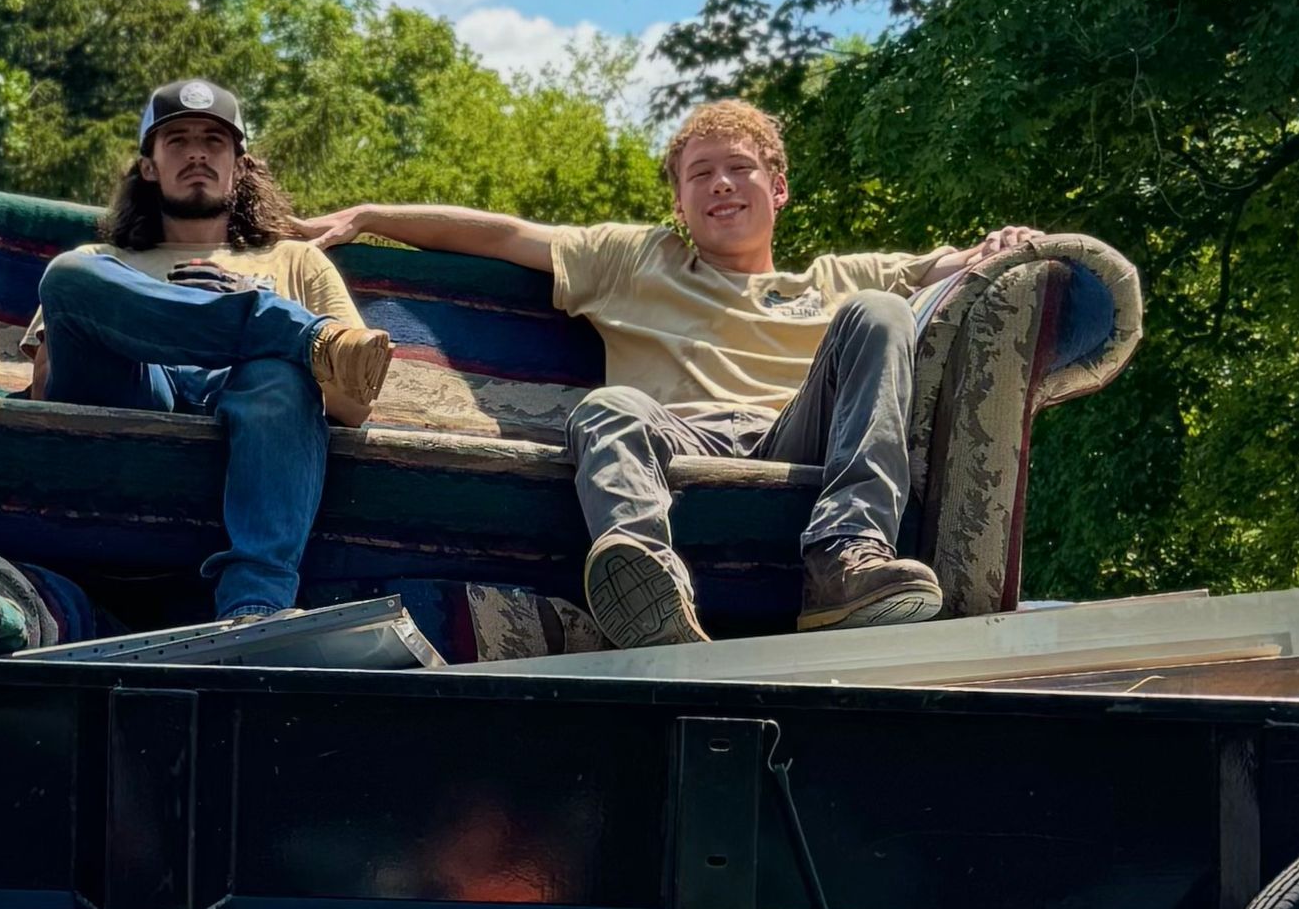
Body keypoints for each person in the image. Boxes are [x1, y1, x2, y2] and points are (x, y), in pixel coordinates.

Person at [296, 99, 1041, 644]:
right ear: (680, 202)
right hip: (682, 439)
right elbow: (503, 234)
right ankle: (644, 585)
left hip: (797, 434)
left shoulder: (846, 274)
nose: (721, 185)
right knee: (608, 404)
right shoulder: (636, 259)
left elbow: (962, 267)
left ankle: (845, 558)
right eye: (700, 174)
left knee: (881, 311)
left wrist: (1008, 245)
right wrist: (369, 214)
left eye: (739, 170)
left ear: (776, 190)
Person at [22, 80, 392, 621]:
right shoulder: (102, 260)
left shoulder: (297, 261)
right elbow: (44, 392)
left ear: (239, 166)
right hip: (135, 390)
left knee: (281, 377)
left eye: (215, 141)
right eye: (177, 140)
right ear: (149, 166)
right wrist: (161, 315)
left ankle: (257, 610)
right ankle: (286, 329)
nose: (197, 152)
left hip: (252, 401)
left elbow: (356, 405)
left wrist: (245, 302)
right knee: (67, 275)